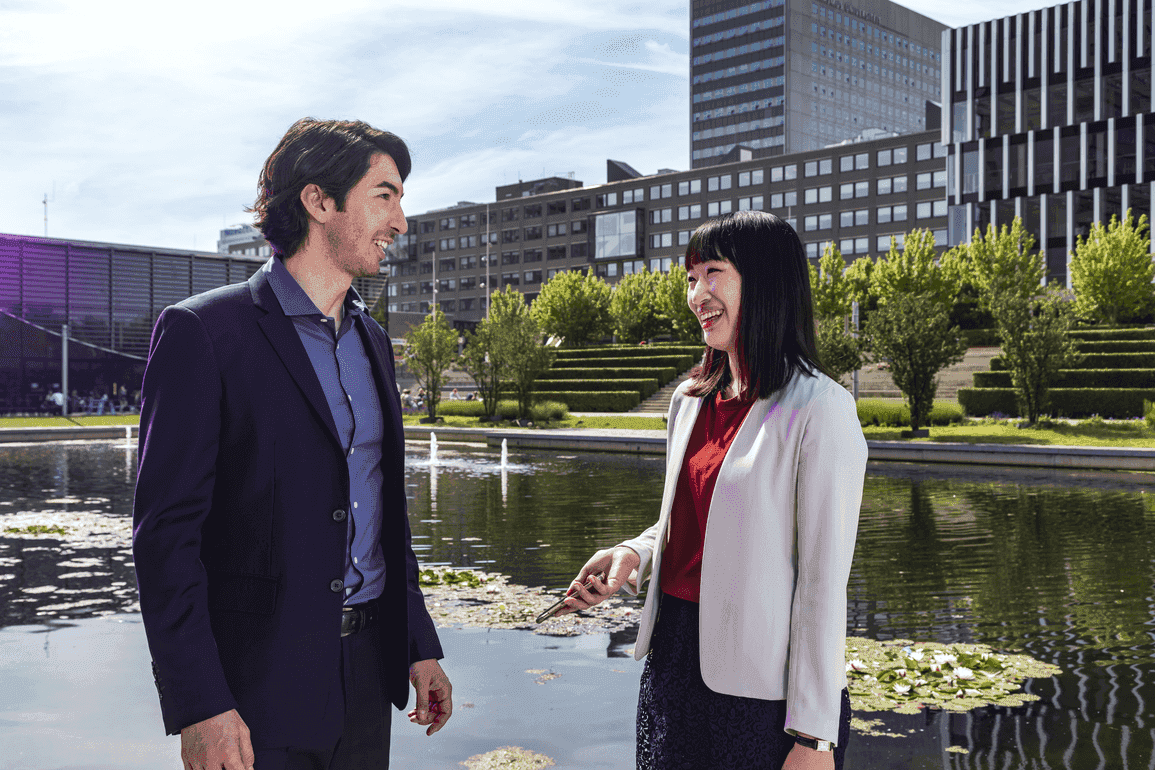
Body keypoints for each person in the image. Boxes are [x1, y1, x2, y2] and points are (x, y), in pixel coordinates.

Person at [133, 118, 451, 770]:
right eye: (383, 196)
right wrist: (200, 704)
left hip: (368, 679)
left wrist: (418, 644)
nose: (400, 222)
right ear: (318, 201)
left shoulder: (373, 344)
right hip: (253, 695)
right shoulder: (203, 334)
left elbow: (384, 517)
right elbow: (166, 541)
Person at [560, 211, 866, 770]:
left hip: (763, 697)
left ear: (767, 281)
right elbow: (693, 521)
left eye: (712, 273)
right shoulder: (689, 401)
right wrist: (636, 552)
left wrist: (815, 737)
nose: (695, 293)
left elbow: (823, 586)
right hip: (673, 664)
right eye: (690, 277)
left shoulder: (821, 410)